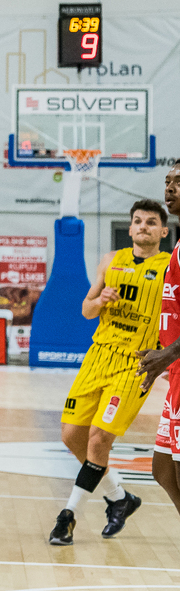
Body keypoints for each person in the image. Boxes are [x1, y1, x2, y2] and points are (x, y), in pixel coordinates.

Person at [48, 198, 170, 546]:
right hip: (98, 356)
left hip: (135, 362)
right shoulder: (110, 260)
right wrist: (100, 301)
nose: (143, 226)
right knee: (72, 437)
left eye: (151, 222)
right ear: (130, 228)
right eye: (138, 221)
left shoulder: (170, 266)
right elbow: (86, 310)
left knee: (99, 439)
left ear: (164, 231)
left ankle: (67, 517)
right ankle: (120, 498)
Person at [135, 164, 180, 526]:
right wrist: (164, 357)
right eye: (167, 182)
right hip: (176, 370)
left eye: (179, 182)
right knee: (162, 469)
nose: (170, 188)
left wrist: (169, 352)